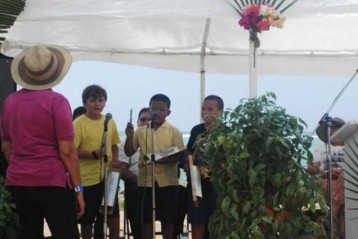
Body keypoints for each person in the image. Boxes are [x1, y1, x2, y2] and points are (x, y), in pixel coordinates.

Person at [0, 44, 85, 239]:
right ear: (54, 72)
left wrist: (23, 167)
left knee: (28, 233)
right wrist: (78, 189)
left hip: (18, 181)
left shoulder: (10, 102)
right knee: (66, 234)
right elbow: (67, 150)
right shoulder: (57, 101)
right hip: (51, 180)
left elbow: (7, 147)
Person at [124, 93, 184, 239]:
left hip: (167, 181)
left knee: (167, 218)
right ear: (149, 109)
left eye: (161, 110)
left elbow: (179, 153)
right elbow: (129, 151)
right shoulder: (141, 131)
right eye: (153, 109)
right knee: (146, 218)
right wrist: (129, 136)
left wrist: (161, 160)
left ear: (168, 113)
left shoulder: (174, 131)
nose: (157, 112)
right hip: (146, 180)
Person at [74, 84, 121, 239]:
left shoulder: (109, 121)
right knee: (87, 219)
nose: (97, 104)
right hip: (87, 179)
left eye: (101, 100)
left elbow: (114, 145)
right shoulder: (78, 123)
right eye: (93, 100)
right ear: (85, 103)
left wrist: (115, 159)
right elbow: (71, 151)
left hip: (107, 177)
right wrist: (93, 155)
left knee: (110, 215)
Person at [185, 95, 224, 239]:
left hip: (217, 184)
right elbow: (189, 151)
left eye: (210, 109)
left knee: (216, 220)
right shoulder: (196, 130)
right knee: (197, 219)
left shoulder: (226, 131)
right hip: (197, 181)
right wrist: (187, 163)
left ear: (220, 112)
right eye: (203, 108)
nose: (205, 111)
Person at [307, 117, 345, 239]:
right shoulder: (321, 148)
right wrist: (326, 173)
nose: (333, 130)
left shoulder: (352, 146)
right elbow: (310, 168)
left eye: (335, 128)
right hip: (328, 187)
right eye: (331, 128)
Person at [118, 107, 150, 239]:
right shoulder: (126, 143)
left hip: (159, 184)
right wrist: (140, 180)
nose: (146, 123)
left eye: (149, 120)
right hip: (137, 185)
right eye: (143, 120)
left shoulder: (162, 140)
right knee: (135, 193)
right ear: (137, 122)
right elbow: (122, 170)